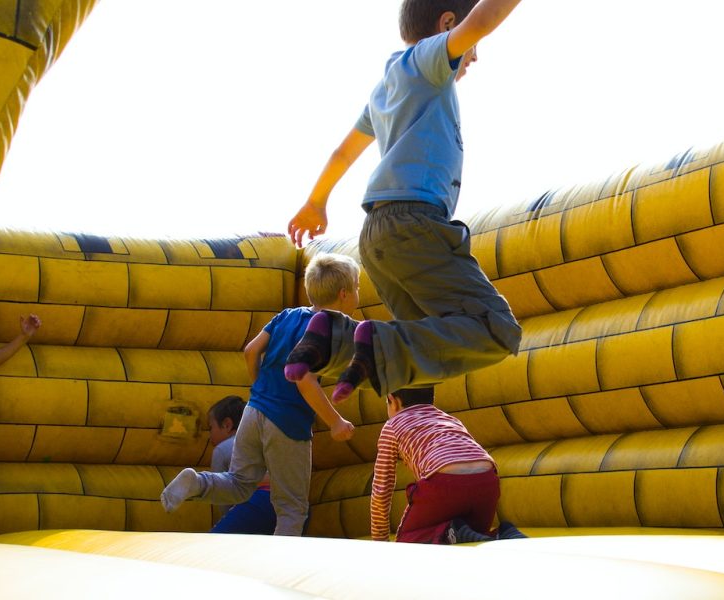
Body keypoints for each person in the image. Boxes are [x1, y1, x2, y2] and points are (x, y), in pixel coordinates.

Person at [284, 0, 523, 405]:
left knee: (422, 350)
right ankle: (372, 344)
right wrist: (474, 29)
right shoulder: (428, 61)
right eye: (472, 44)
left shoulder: (386, 88)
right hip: (415, 224)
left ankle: (337, 339)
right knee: (495, 329)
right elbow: (484, 18)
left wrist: (316, 202)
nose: (475, 55)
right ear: (448, 23)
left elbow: (345, 152)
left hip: (377, 236)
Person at [160, 253, 360, 536]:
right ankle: (281, 568)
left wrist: (260, 389)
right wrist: (335, 421)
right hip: (288, 421)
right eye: (357, 287)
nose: (359, 293)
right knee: (291, 507)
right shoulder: (328, 330)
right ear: (344, 294)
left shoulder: (287, 316)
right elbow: (304, 378)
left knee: (240, 484)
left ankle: (197, 483)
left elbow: (251, 351)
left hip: (254, 411)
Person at [370, 386, 526, 543]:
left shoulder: (392, 426)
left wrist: (380, 540)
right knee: (473, 536)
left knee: (408, 542)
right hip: (487, 482)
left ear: (392, 400)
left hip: (444, 483)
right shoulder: (449, 420)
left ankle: (449, 533)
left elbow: (382, 488)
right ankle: (503, 533)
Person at [205, 395, 277, 534]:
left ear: (227, 425)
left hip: (259, 500)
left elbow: (223, 496)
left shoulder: (222, 449)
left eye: (210, 427)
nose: (209, 436)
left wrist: (228, 521)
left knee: (213, 543)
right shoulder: (265, 440)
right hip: (290, 505)